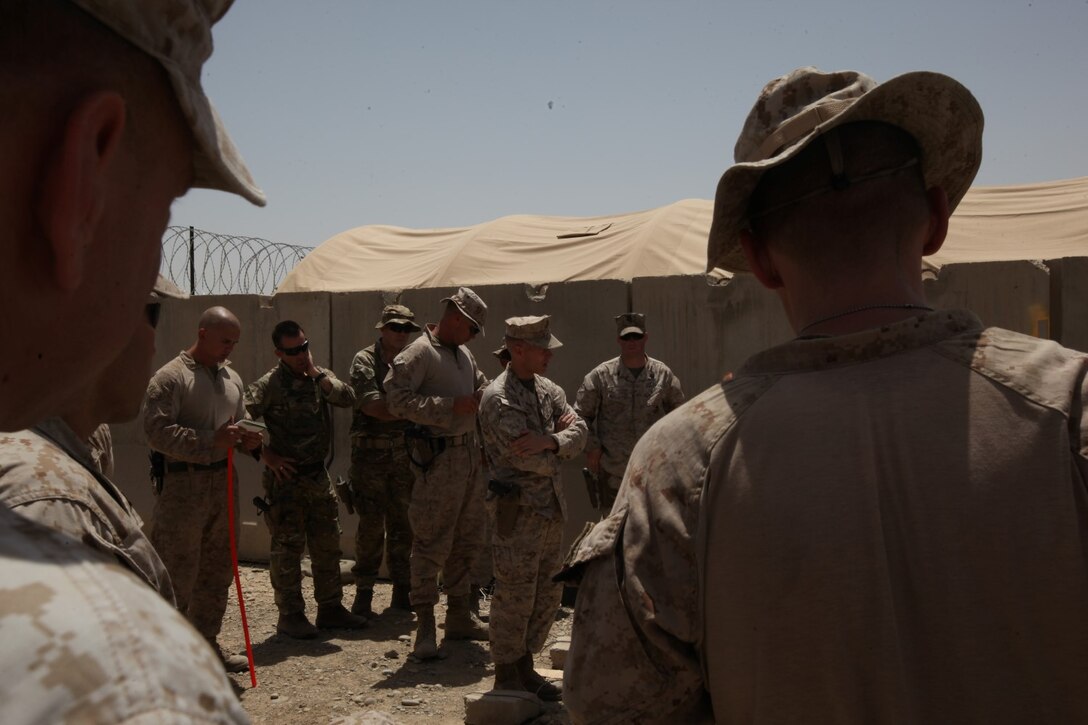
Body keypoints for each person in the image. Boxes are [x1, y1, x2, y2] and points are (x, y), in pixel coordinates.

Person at [563, 66, 1088, 723]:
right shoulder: (1067, 406)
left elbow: (615, 708)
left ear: (757, 257)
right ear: (934, 217)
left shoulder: (678, 468)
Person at [0, 0, 263, 721]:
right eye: (168, 204)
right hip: (184, 488)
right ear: (83, 176)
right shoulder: (114, 671)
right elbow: (159, 428)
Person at [0, 278, 182, 604]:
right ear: (99, 327)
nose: (154, 344)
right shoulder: (47, 500)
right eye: (150, 315)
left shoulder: (81, 443)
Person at [142, 306, 262, 672]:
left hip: (223, 482)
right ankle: (166, 656)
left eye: (235, 342)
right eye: (225, 340)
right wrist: (212, 439)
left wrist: (246, 439)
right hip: (184, 484)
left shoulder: (232, 379)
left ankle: (206, 644)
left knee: (217, 568)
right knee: (176, 570)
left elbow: (237, 423)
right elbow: (156, 433)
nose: (230, 348)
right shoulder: (171, 378)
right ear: (203, 332)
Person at [478, 316, 586, 700]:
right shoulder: (498, 398)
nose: (549, 355)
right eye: (543, 348)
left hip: (550, 509)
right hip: (517, 511)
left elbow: (582, 433)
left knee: (546, 593)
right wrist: (556, 445)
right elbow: (522, 457)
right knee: (515, 593)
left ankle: (525, 666)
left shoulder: (549, 390)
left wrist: (550, 442)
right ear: (518, 349)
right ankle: (506, 672)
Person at [384, 287, 491, 659]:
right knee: (430, 543)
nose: (475, 336)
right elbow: (396, 400)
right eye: (473, 327)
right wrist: (450, 406)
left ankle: (460, 615)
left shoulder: (463, 353)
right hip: (437, 460)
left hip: (468, 458)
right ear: (456, 318)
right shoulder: (420, 353)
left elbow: (481, 388)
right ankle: (425, 625)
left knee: (467, 538)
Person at [245, 320, 367, 639]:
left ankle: (330, 608)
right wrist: (265, 455)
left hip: (317, 475)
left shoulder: (317, 377)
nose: (302, 354)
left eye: (304, 346)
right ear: (279, 353)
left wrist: (317, 375)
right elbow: (239, 422)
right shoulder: (269, 384)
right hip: (286, 480)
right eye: (294, 351)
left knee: (327, 544)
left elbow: (347, 397)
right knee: (288, 548)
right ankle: (291, 615)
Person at [346, 304, 421, 617]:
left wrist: (415, 407)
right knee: (371, 526)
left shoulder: (414, 361)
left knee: (403, 525)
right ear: (382, 329)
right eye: (395, 327)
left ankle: (402, 592)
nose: (401, 334)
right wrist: (413, 408)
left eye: (406, 329)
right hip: (370, 456)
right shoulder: (365, 360)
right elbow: (373, 406)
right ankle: (364, 591)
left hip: (404, 455)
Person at [574, 312, 685, 513]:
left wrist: (670, 450)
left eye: (636, 336)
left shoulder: (662, 374)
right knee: (613, 531)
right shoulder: (601, 375)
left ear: (645, 338)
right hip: (613, 470)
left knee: (651, 530)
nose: (631, 341)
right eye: (626, 337)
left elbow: (680, 414)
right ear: (619, 340)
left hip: (652, 469)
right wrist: (592, 447)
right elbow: (581, 415)